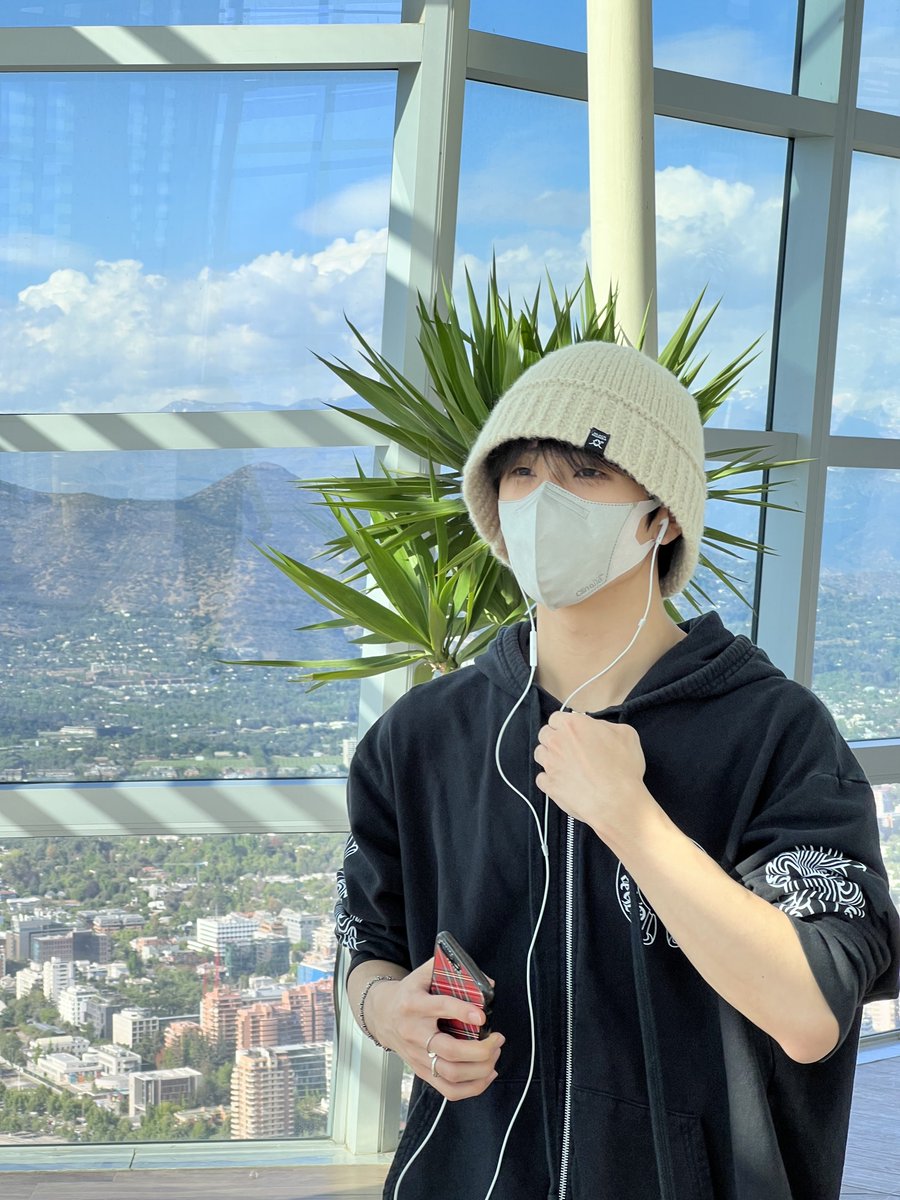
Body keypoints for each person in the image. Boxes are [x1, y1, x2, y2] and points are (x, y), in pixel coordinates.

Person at [334, 341, 900, 1200]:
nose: (543, 500)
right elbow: (366, 938)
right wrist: (389, 1012)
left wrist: (632, 820)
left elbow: (812, 1012)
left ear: (661, 516)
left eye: (587, 473)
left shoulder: (776, 734)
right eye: (520, 473)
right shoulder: (420, 736)